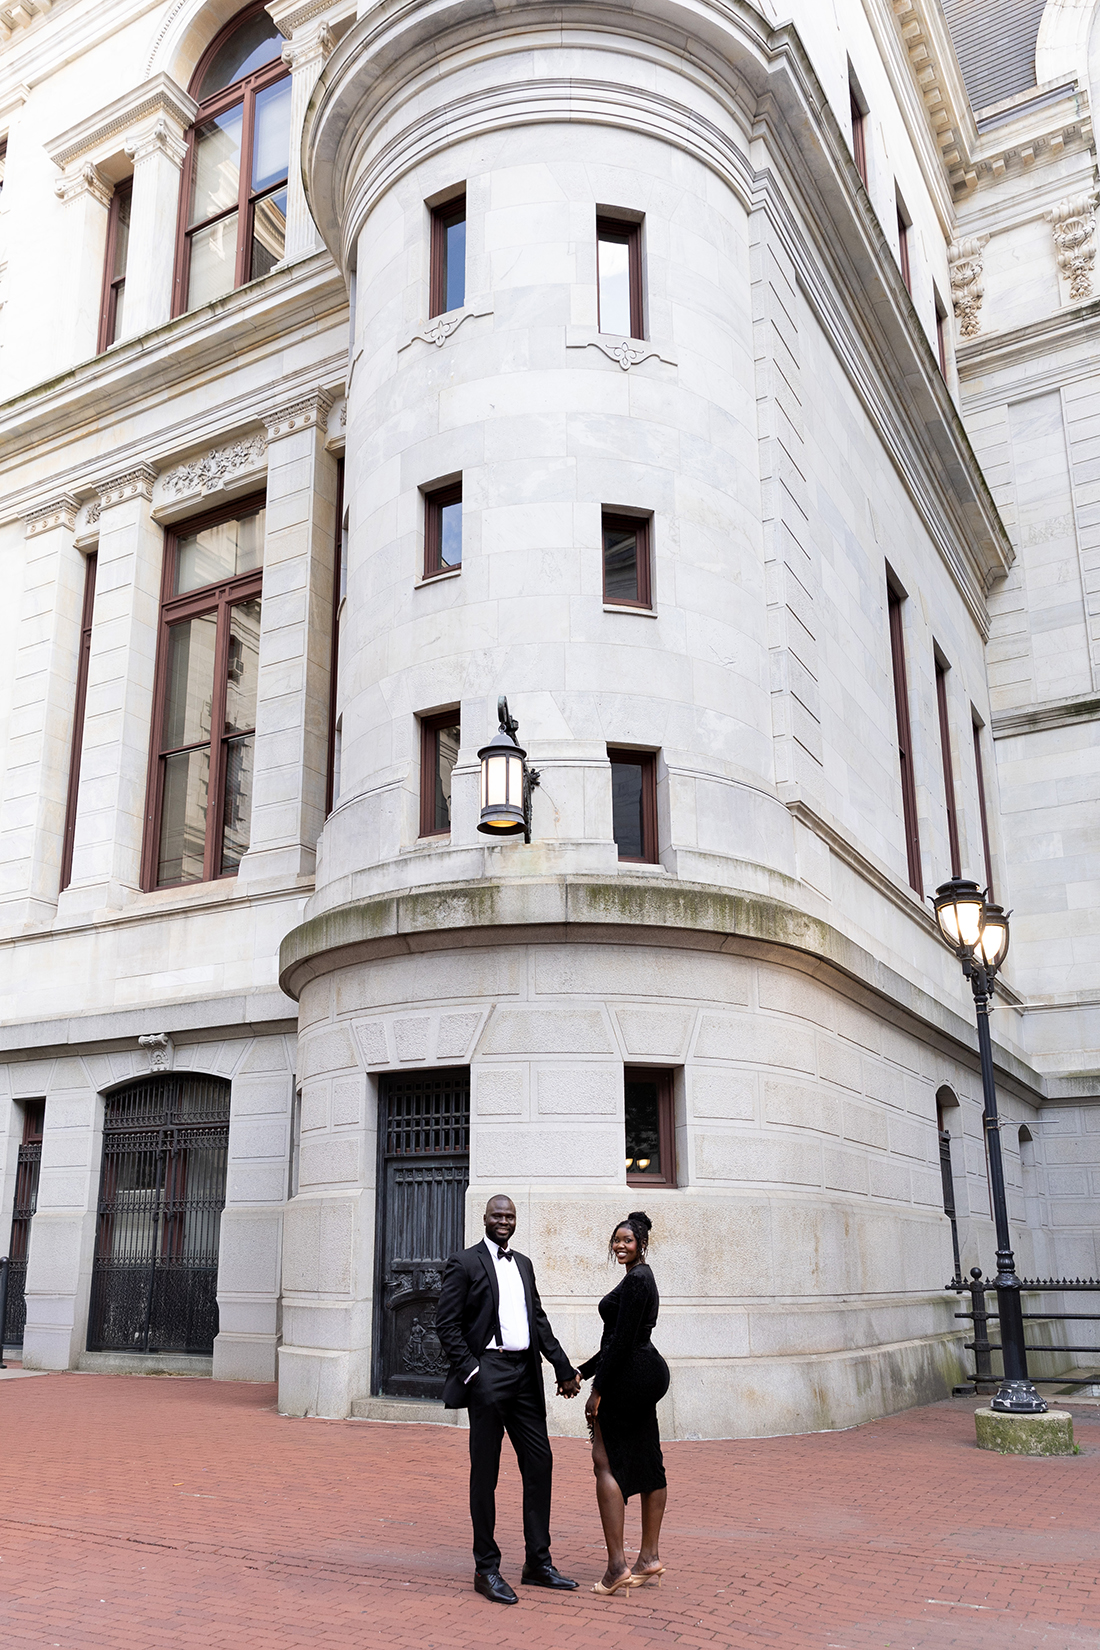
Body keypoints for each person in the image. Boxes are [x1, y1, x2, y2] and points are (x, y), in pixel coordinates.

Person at [435, 1193, 583, 1605]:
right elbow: (445, 1324)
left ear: (516, 1221)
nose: (504, 1220)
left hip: (525, 1376)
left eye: (510, 1215)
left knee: (540, 1464)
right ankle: (486, 1568)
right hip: (488, 1374)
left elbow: (538, 1319)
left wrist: (563, 1367)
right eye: (497, 1215)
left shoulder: (523, 1264)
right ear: (484, 1219)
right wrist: (473, 1372)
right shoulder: (464, 1264)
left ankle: (538, 1562)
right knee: (486, 1473)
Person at [580, 1210, 669, 1597]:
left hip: (630, 1377)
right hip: (640, 1373)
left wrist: (597, 1390)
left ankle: (617, 1567)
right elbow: (617, 1340)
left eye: (627, 1240)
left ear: (641, 1244)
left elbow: (621, 1343)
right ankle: (647, 1558)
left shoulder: (637, 1280)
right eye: (616, 1240)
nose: (620, 1245)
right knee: (648, 1460)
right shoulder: (638, 1278)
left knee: (605, 1460)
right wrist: (582, 1371)